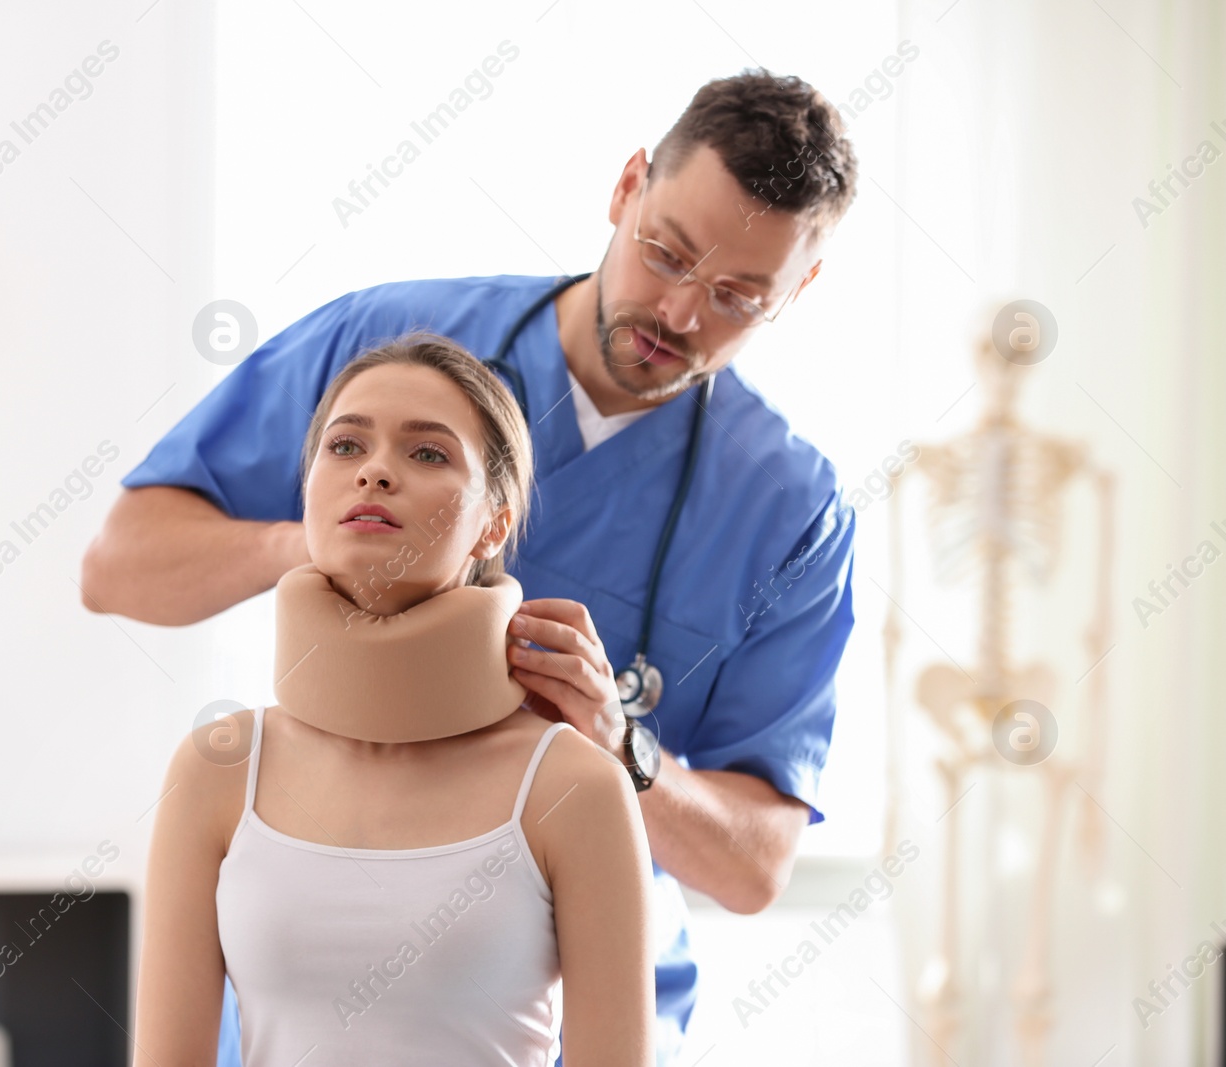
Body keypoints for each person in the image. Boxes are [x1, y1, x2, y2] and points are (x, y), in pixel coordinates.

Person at [85, 69, 859, 1066]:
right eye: (664, 252)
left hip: (583, 1002)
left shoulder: (787, 510)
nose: (676, 310)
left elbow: (754, 868)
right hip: (306, 982)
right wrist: (324, 541)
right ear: (626, 187)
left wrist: (622, 744)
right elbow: (120, 567)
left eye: (736, 297)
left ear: (798, 291)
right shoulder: (387, 351)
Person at [132, 335, 656, 1066]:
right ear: (308, 487)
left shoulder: (576, 787)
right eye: (345, 446)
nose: (375, 471)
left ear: (495, 522)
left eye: (429, 454)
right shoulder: (218, 767)